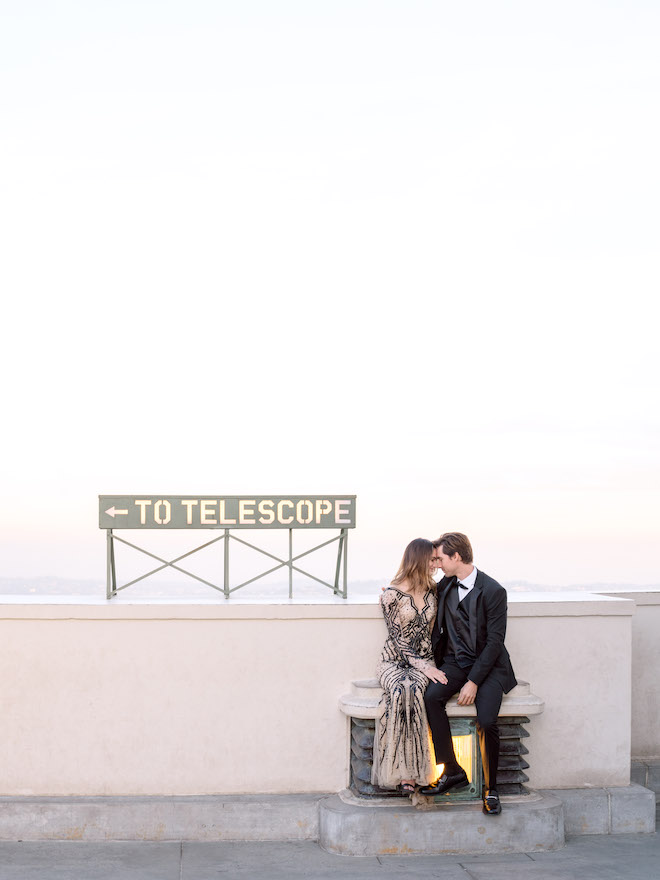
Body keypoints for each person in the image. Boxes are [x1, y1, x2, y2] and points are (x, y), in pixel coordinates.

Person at [420, 532, 517, 816]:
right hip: (455, 662)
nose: (436, 563)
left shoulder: (494, 590)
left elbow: (495, 642)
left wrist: (473, 681)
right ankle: (451, 769)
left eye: (439, 558)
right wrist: (391, 593)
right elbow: (418, 593)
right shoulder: (446, 585)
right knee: (432, 697)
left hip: (489, 667)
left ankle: (491, 789)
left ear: (456, 557)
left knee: (486, 721)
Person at [372, 538, 446, 796]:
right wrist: (427, 668)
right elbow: (398, 639)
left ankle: (413, 773)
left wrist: (428, 666)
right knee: (401, 689)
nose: (435, 564)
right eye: (432, 560)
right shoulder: (390, 595)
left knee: (414, 690)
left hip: (425, 660)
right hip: (394, 659)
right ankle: (401, 772)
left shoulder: (434, 590)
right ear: (418, 559)